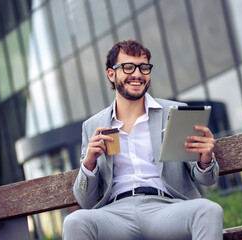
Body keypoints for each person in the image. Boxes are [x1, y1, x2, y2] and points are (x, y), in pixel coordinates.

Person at [62, 40, 223, 240]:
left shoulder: (173, 112)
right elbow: (85, 201)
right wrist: (89, 163)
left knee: (209, 210)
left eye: (144, 68)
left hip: (167, 209)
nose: (137, 74)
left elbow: (207, 180)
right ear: (111, 74)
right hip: (116, 215)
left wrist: (206, 159)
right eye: (128, 67)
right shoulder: (93, 126)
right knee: (74, 222)